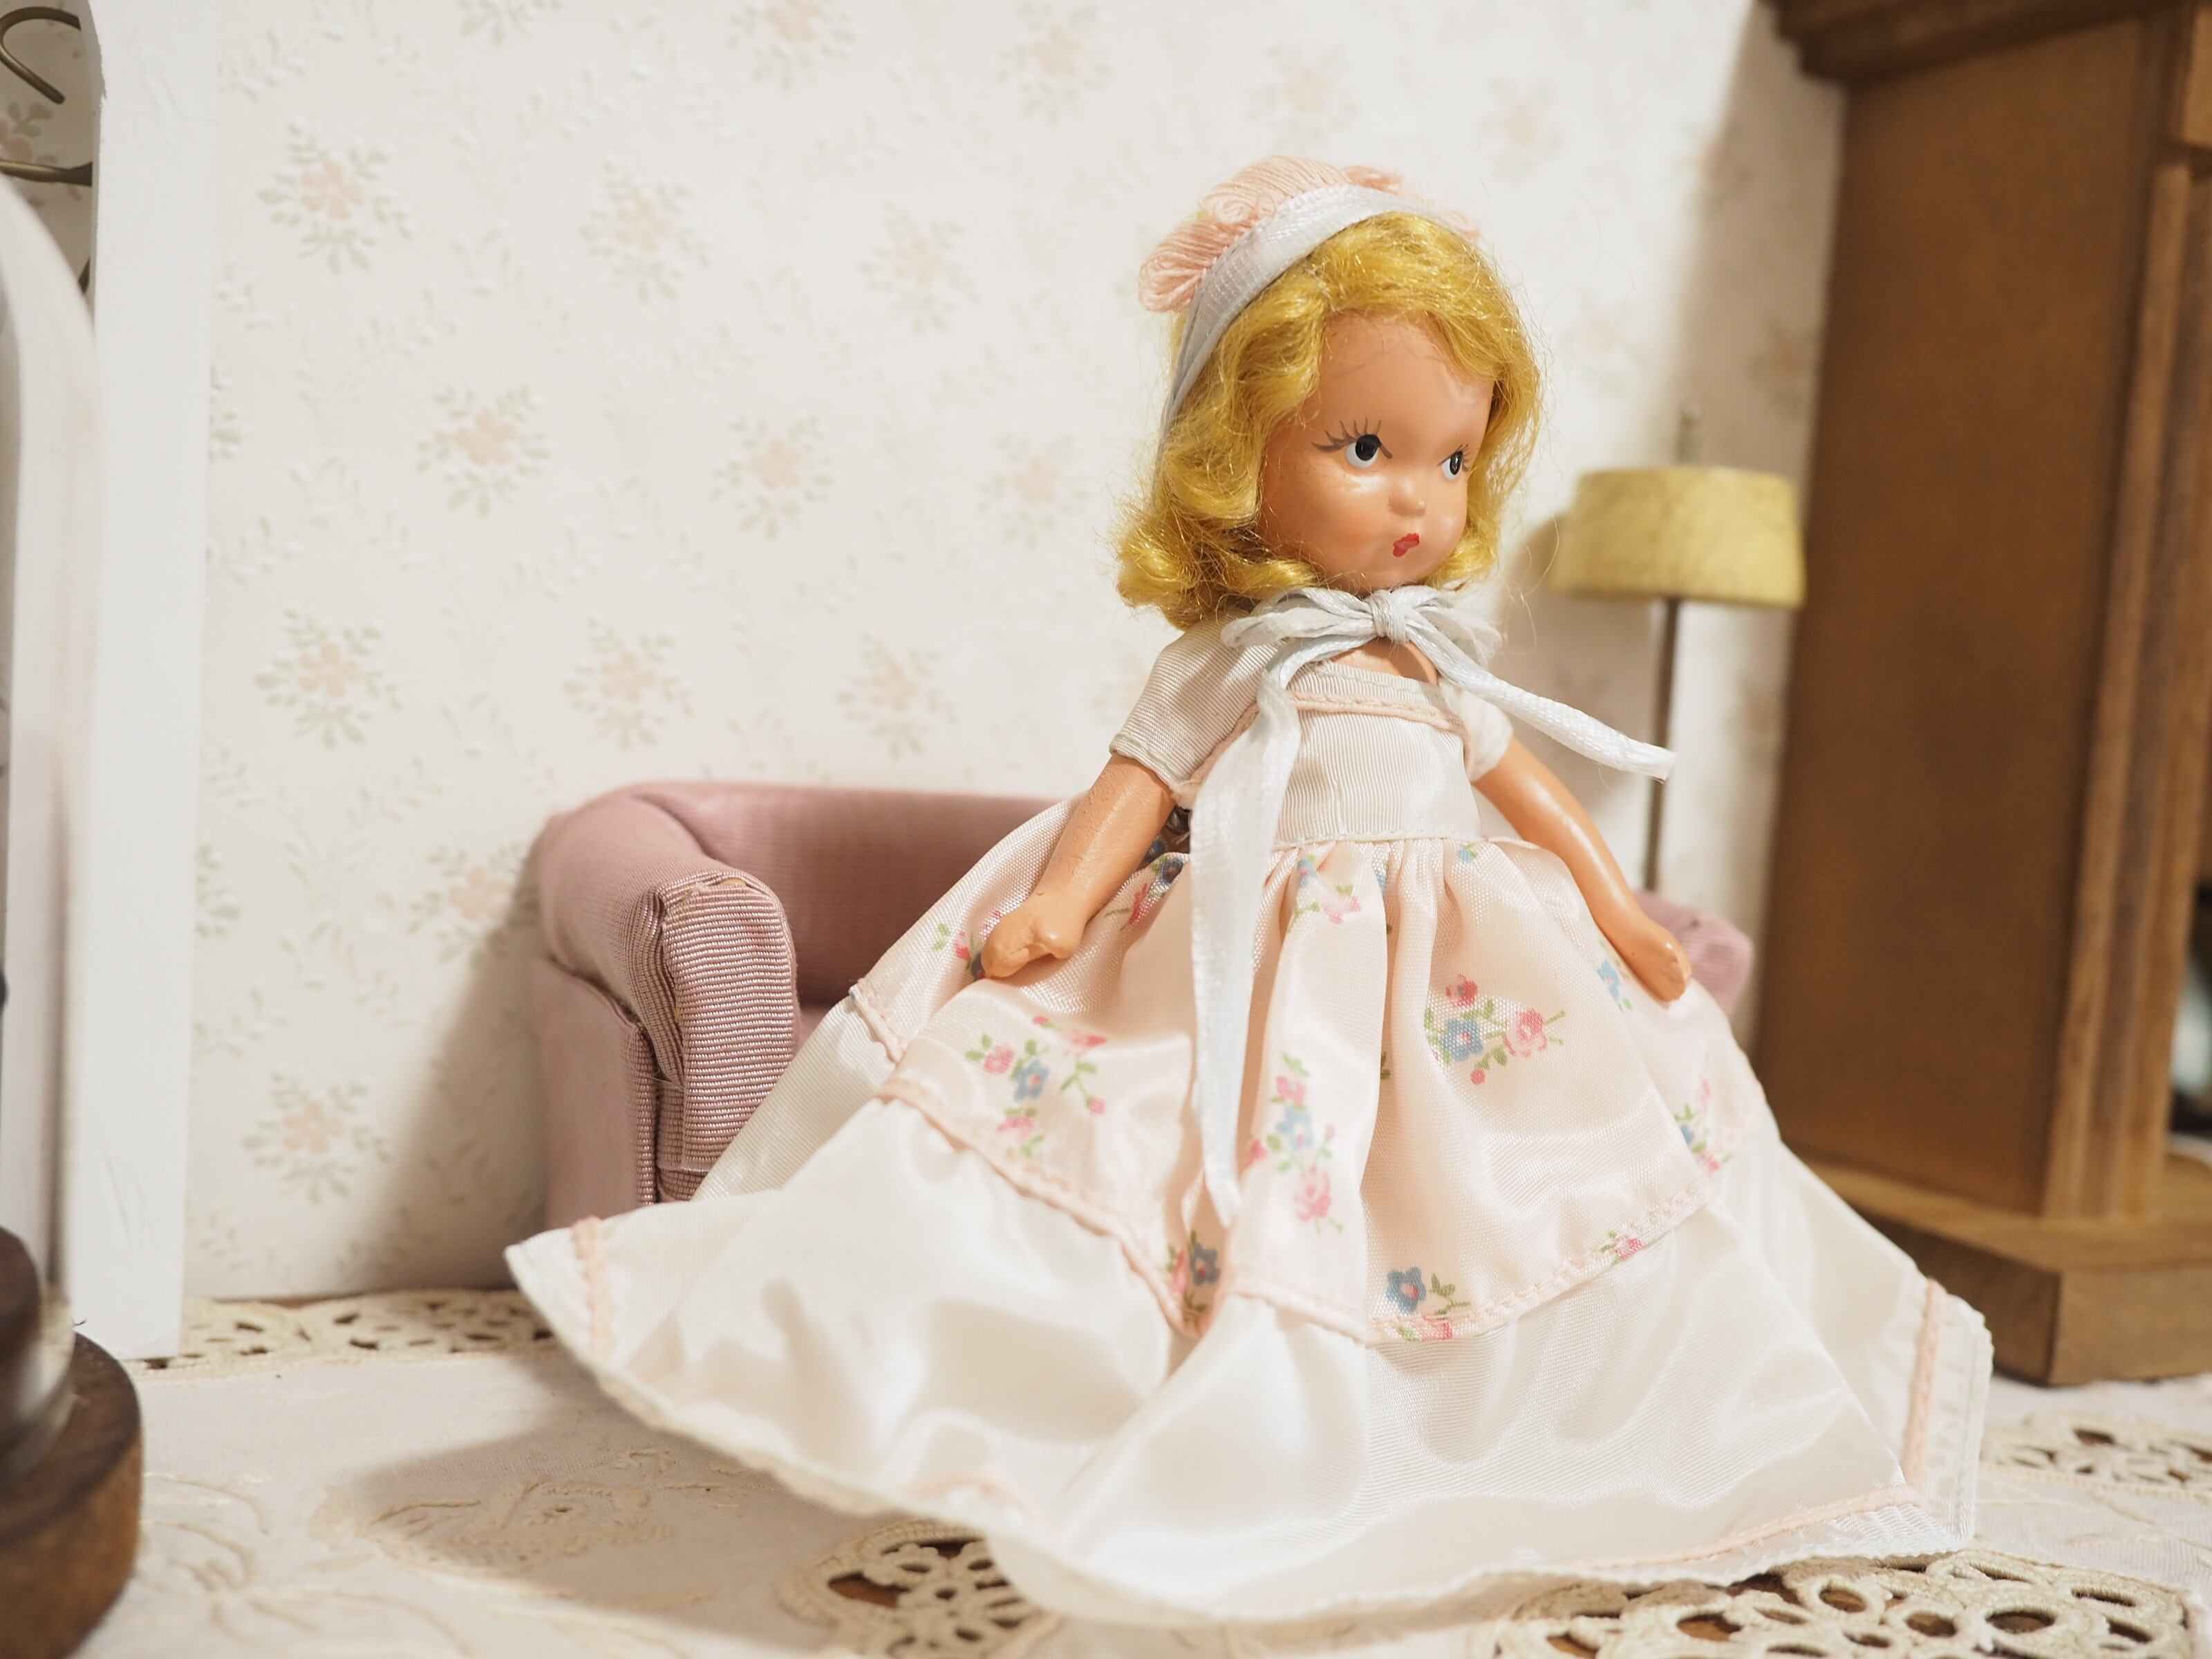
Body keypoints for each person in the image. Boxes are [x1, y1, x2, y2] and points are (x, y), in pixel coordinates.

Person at [509, 156, 1990, 1628]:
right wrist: (1060, 904)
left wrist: (1616, 911)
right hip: (1256, 962)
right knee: (1188, 1165)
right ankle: (1180, 1412)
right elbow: (1133, 786)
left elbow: (1529, 794)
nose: (1416, 500)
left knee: (1521, 1178)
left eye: (1450, 460)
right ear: (1237, 449)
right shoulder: (1229, 659)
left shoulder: (1433, 659)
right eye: (1366, 446)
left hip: (1452, 979)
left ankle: (1521, 1422)